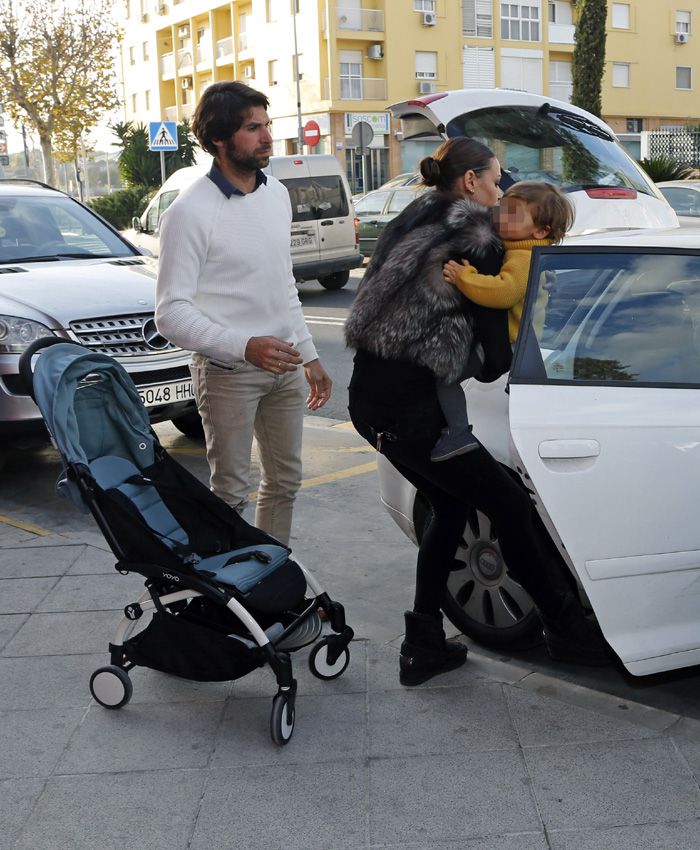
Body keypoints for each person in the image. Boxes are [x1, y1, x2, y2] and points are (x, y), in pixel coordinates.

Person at [345, 138, 609, 687]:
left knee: (450, 504)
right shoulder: (481, 241)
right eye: (495, 180)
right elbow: (494, 362)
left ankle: (422, 642)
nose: (501, 190)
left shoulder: (412, 216)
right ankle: (566, 630)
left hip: (368, 400)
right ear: (470, 182)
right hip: (415, 410)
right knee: (508, 504)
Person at [155, 81, 332, 546]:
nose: (268, 137)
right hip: (228, 371)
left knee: (285, 483)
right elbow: (170, 314)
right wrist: (244, 346)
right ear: (219, 138)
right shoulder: (190, 211)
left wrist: (309, 354)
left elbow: (282, 284)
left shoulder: (276, 195)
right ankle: (228, 590)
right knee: (230, 493)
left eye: (267, 125)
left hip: (286, 363)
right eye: (253, 128)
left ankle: (271, 575)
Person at [435, 181, 574, 461]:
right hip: (523, 344)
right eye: (502, 208)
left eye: (513, 213)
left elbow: (503, 293)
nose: (501, 215)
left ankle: (458, 432)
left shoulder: (523, 257)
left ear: (541, 230)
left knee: (445, 374)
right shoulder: (527, 250)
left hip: (508, 343)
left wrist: (465, 278)